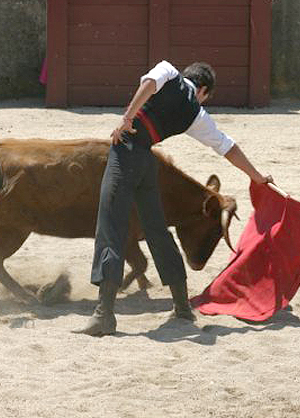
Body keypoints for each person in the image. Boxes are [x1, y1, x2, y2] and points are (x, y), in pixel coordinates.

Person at [75, 60, 273, 336]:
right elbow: (227, 146)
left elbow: (148, 85)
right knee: (157, 229)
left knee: (111, 226)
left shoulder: (168, 70)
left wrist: (127, 118)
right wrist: (256, 175)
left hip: (126, 154)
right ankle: (181, 306)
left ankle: (104, 314)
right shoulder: (197, 114)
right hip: (147, 162)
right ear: (202, 90)